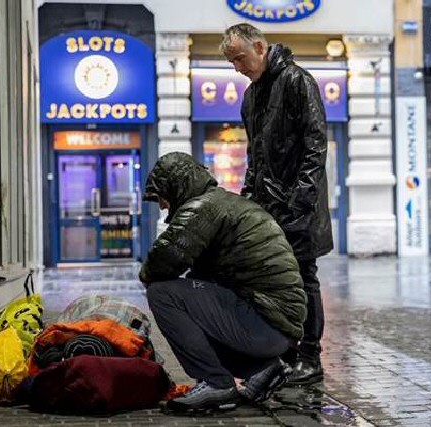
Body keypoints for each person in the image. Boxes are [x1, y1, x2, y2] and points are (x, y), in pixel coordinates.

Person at [140, 152, 307, 412]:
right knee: (194, 301)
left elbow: (163, 261)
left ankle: (216, 383)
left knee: (162, 293)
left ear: (177, 185)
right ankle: (262, 370)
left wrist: (147, 276)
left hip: (264, 324)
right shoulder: (224, 203)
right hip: (275, 327)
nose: (162, 206)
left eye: (162, 196)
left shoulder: (203, 208)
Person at [221, 23, 332, 385]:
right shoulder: (252, 96)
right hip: (268, 207)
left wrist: (301, 197)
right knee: (272, 281)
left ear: (259, 47)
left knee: (303, 277)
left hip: (300, 207)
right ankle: (283, 353)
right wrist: (248, 198)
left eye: (239, 58)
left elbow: (316, 142)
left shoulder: (298, 81)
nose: (237, 67)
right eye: (232, 62)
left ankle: (310, 357)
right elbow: (255, 155)